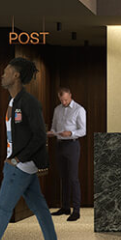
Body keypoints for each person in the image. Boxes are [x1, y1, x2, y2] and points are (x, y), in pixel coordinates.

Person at [0, 57, 63, 240]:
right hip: (20, 164)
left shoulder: (28, 102)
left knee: (2, 208)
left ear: (16, 75)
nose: (3, 75)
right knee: (39, 206)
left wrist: (18, 158)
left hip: (20, 166)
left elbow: (39, 135)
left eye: (6, 71)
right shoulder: (13, 102)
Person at [50, 86, 87, 222]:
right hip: (60, 145)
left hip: (72, 145)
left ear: (70, 95)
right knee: (63, 178)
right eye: (62, 100)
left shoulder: (79, 110)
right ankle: (65, 207)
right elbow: (54, 127)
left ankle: (76, 210)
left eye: (66, 99)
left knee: (73, 178)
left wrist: (70, 133)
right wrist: (52, 132)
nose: (64, 102)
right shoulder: (57, 109)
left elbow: (83, 130)